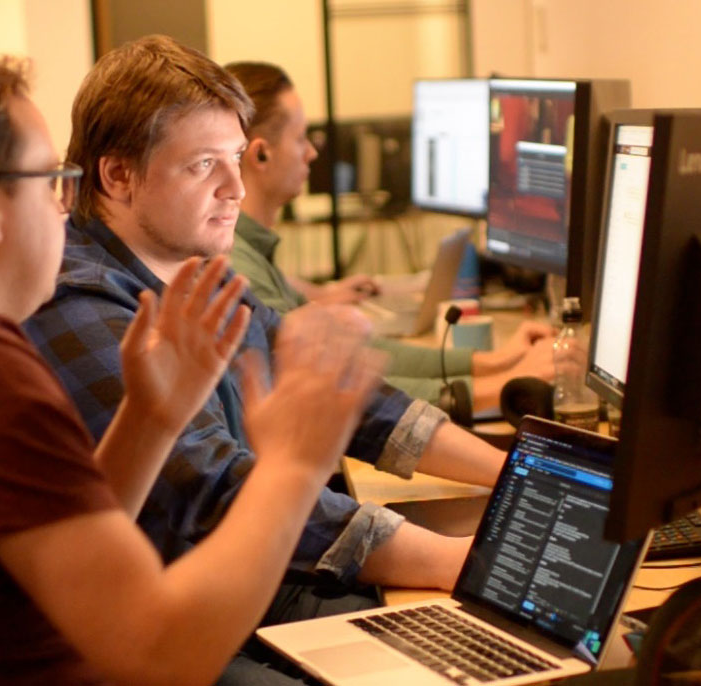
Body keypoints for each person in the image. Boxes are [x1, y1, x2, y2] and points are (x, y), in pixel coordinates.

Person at [0, 52, 385, 685]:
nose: (64, 208)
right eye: (52, 179)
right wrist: (293, 466)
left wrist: (149, 418)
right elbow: (159, 655)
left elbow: (77, 559)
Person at [25, 33, 515, 634]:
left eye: (236, 157)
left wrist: (509, 475)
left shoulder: (191, 266)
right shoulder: (79, 304)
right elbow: (217, 489)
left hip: (257, 587)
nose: (235, 188)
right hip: (195, 626)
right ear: (118, 175)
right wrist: (452, 562)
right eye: (203, 164)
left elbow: (341, 392)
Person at [223, 61, 557, 412]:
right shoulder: (240, 267)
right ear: (261, 154)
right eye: (300, 138)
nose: (312, 152)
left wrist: (495, 362)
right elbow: (343, 388)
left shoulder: (254, 255)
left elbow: (359, 354)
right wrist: (504, 386)